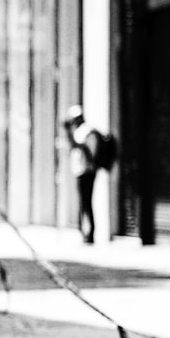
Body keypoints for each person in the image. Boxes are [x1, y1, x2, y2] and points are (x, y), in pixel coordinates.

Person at [63, 105, 100, 244]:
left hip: (87, 171)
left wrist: (68, 132)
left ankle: (90, 232)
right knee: (83, 202)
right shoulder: (79, 131)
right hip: (80, 171)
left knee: (87, 202)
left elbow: (79, 146)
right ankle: (84, 231)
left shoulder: (87, 131)